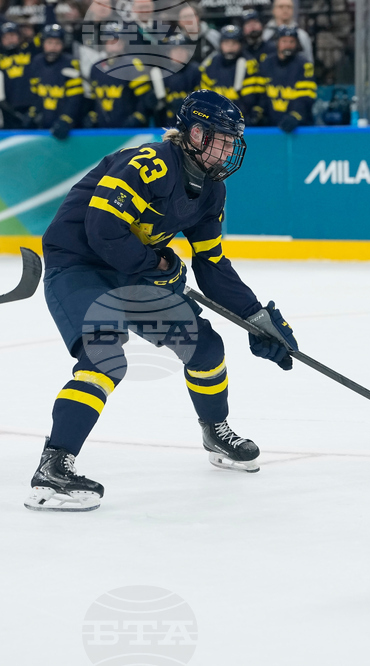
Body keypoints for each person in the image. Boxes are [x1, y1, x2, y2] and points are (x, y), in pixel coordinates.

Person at [27, 90, 299, 513]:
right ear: (195, 133)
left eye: (233, 140)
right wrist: (157, 264)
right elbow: (102, 230)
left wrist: (255, 316)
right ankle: (53, 467)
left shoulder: (211, 192)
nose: (229, 149)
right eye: (221, 139)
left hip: (131, 271)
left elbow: (211, 264)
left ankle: (215, 430)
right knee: (104, 356)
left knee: (206, 347)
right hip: (79, 265)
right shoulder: (147, 164)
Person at [243, 25, 314, 132]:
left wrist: (296, 115)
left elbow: (306, 97)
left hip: (299, 127)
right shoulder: (266, 63)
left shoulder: (304, 65)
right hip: (270, 126)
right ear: (277, 43)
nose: (288, 45)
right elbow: (261, 94)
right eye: (284, 41)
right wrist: (258, 112)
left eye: (292, 42)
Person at [84, 22, 153, 128]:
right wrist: (92, 116)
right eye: (111, 40)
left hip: (128, 128)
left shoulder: (133, 64)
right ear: (104, 42)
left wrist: (139, 117)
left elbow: (145, 97)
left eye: (118, 40)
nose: (114, 43)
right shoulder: (96, 67)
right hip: (102, 129)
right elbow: (92, 99)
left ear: (124, 43)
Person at [25, 23, 83, 139]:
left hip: (66, 126)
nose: (53, 47)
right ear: (43, 44)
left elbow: (75, 97)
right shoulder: (37, 62)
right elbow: (34, 93)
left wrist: (66, 119)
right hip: (43, 124)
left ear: (63, 44)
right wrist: (33, 112)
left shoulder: (70, 63)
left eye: (57, 43)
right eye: (49, 43)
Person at [154, 32, 201, 126]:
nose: (179, 54)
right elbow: (157, 105)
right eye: (175, 51)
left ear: (188, 52)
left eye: (182, 50)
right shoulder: (162, 73)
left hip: (194, 123)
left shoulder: (196, 70)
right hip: (169, 123)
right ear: (169, 53)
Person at [199, 25, 248, 109]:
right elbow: (205, 93)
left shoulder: (249, 63)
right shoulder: (212, 63)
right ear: (220, 44)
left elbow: (252, 97)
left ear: (241, 45)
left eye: (234, 43)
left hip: (242, 114)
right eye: (226, 43)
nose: (230, 47)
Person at [1, 20, 33, 128]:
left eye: (12, 35)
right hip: (8, 109)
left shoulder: (30, 51)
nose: (9, 39)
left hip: (31, 106)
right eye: (5, 37)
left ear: (19, 37)